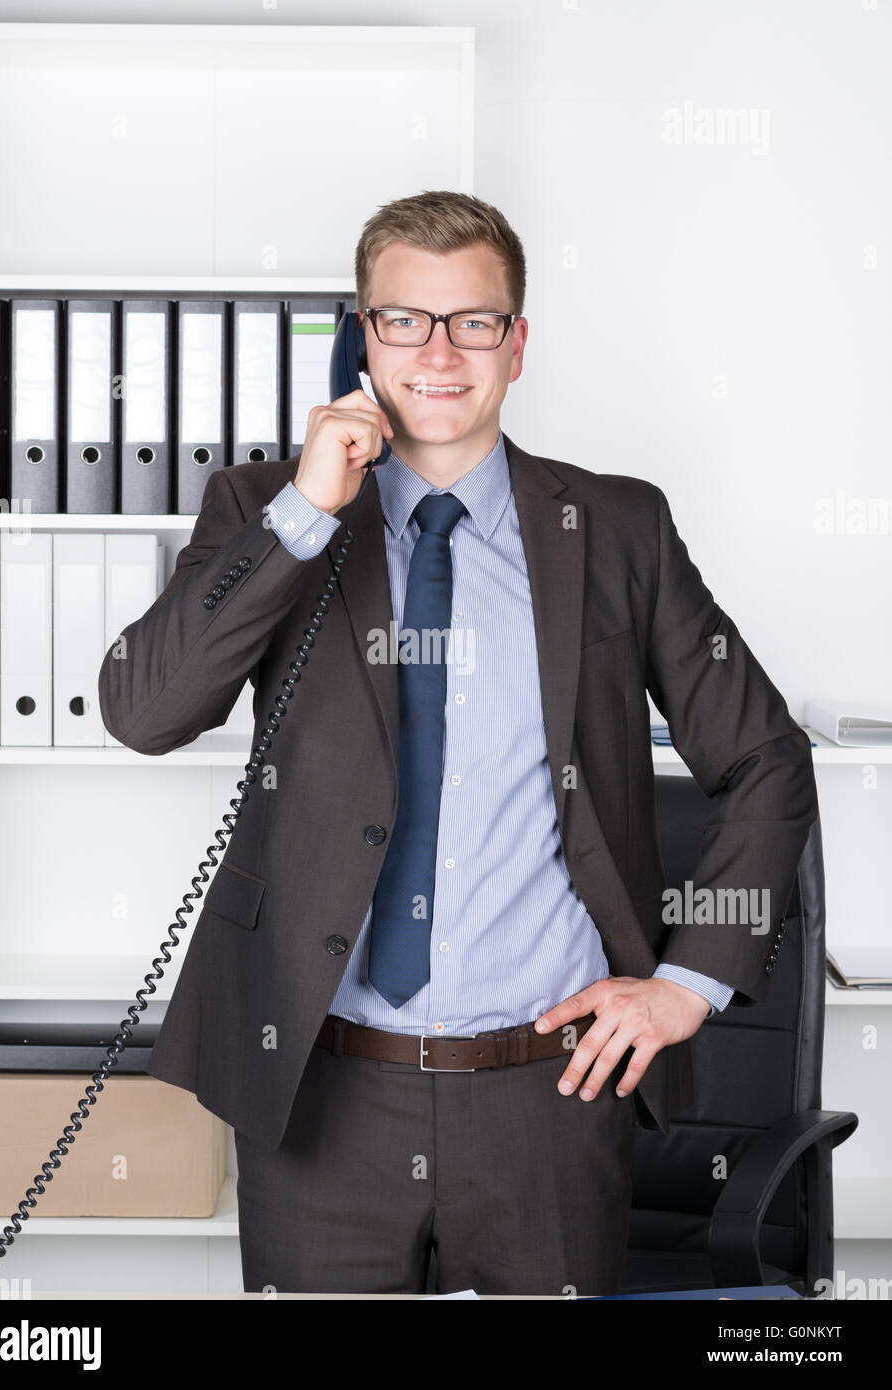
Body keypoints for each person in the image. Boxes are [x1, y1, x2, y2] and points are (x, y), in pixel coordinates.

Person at [98, 190, 819, 1297]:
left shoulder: (615, 528)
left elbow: (765, 754)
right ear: (360, 334)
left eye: (473, 321)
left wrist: (687, 983)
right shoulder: (265, 506)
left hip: (549, 1094)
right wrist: (301, 512)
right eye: (404, 320)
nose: (438, 352)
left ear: (516, 343)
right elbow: (144, 712)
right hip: (322, 1092)